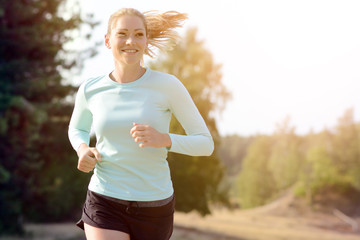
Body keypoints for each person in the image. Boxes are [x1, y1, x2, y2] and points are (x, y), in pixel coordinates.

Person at [68, 8, 214, 240]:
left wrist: (164, 139)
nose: (130, 41)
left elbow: (205, 144)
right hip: (104, 198)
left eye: (138, 34)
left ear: (146, 41)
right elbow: (78, 128)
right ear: (108, 40)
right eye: (122, 33)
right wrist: (82, 148)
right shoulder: (91, 89)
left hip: (154, 207)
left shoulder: (168, 85)